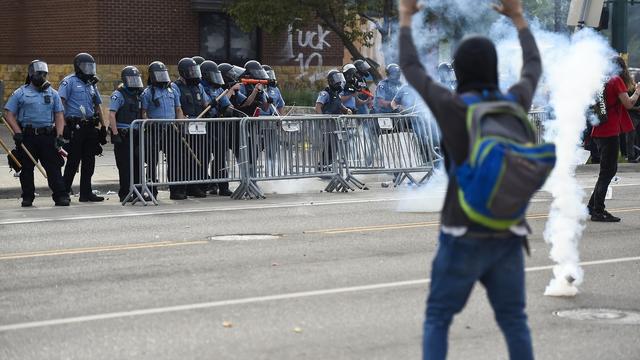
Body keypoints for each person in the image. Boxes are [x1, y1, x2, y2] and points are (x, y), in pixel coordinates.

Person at [399, 0, 542, 359]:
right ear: (493, 69)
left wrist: (405, 17)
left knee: (438, 317)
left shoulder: (453, 107)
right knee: (514, 319)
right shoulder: (514, 103)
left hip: (461, 231)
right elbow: (533, 67)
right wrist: (518, 18)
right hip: (508, 232)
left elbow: (412, 67)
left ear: (459, 71)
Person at [3, 60, 70, 207]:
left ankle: (61, 196)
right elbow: (8, 114)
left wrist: (59, 136)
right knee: (26, 168)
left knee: (53, 168)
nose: (42, 76)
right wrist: (17, 132)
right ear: (31, 74)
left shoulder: (53, 93)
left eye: (44, 74)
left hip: (47, 136)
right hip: (27, 136)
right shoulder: (21, 93)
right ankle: (27, 197)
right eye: (38, 73)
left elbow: (59, 115)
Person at [588, 56, 639, 222]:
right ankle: (598, 210)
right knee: (608, 171)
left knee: (606, 171)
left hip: (599, 130)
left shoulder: (603, 80)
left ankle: (592, 206)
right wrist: (637, 91)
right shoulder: (616, 80)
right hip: (609, 132)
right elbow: (628, 104)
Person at [58, 52, 106, 202]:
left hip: (90, 127)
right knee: (73, 161)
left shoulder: (91, 84)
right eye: (86, 66)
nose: (89, 69)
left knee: (89, 161)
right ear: (78, 67)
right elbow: (61, 103)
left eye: (91, 66)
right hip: (75, 127)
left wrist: (104, 127)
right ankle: (64, 192)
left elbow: (98, 105)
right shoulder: (69, 82)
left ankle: (86, 193)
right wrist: (63, 126)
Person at [141, 61, 185, 200]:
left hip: (171, 129)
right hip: (155, 129)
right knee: (152, 161)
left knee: (174, 160)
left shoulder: (173, 90)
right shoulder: (147, 93)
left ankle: (175, 190)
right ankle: (152, 191)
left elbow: (178, 109)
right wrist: (148, 124)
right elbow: (144, 112)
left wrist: (181, 126)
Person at [171, 57, 212, 199]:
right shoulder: (175, 87)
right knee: (182, 159)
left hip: (199, 126)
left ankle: (195, 186)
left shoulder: (199, 86)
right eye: (191, 71)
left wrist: (212, 106)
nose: (194, 74)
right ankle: (178, 189)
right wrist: (181, 122)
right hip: (183, 127)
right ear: (183, 72)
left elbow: (205, 103)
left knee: (200, 157)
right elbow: (177, 107)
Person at [108, 66, 146, 203]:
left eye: (137, 79)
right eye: (132, 79)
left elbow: (142, 113)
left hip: (136, 133)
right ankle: (125, 193)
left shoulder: (138, 94)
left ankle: (137, 192)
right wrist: (115, 133)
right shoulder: (118, 94)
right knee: (125, 166)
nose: (135, 82)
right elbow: (111, 115)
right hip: (123, 134)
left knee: (137, 164)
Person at [201, 60, 235, 196]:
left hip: (217, 123)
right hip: (205, 124)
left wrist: (227, 109)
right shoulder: (201, 87)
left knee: (220, 155)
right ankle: (206, 184)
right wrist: (210, 104)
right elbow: (203, 105)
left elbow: (227, 105)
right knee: (204, 156)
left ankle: (223, 185)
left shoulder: (219, 89)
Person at [315, 70, 352, 171]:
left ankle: (328, 165)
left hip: (336, 124)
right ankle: (322, 166)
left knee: (334, 146)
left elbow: (340, 105)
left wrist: (346, 110)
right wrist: (323, 119)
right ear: (331, 81)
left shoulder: (337, 94)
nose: (339, 82)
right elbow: (318, 107)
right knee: (328, 146)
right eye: (336, 79)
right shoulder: (325, 93)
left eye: (340, 79)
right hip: (327, 124)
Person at [625, 71, 640, 162]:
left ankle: (637, 155)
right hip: (632, 116)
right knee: (630, 137)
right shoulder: (630, 90)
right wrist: (637, 108)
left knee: (636, 137)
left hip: (636, 115)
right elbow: (627, 105)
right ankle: (631, 157)